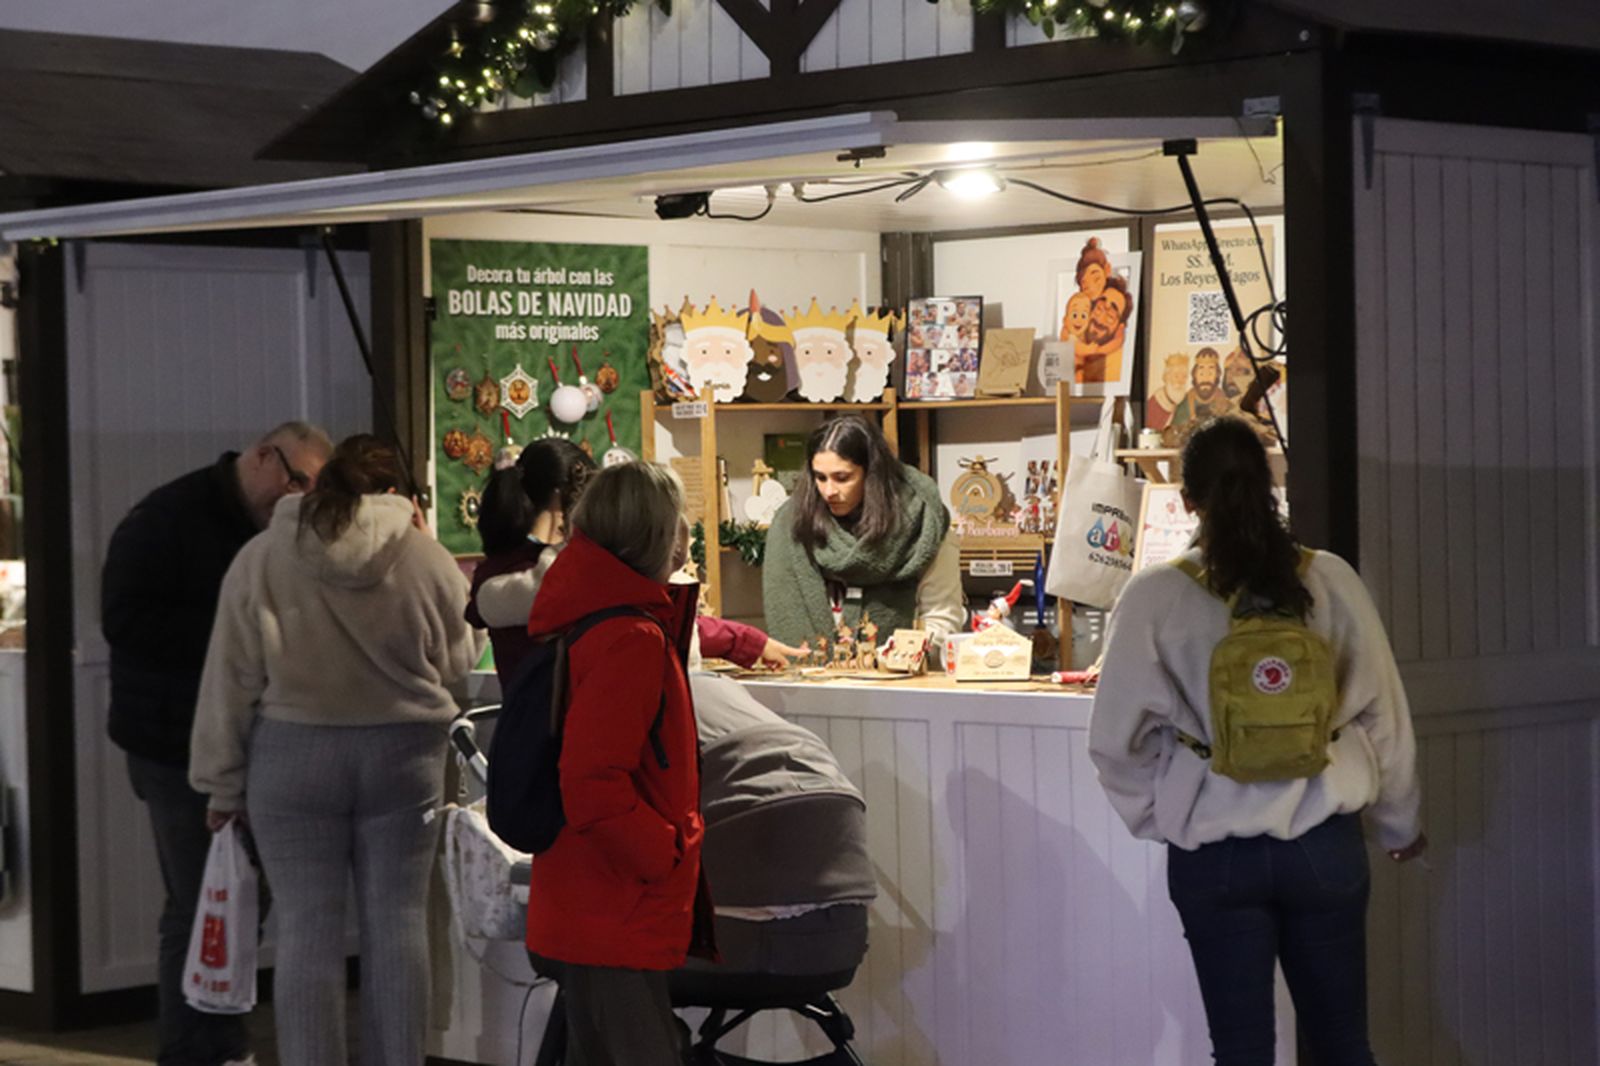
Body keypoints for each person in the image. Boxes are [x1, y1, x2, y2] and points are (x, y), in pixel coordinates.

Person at [1088, 417, 1426, 1066]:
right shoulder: (1329, 579)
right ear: (1272, 486)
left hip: (1215, 855)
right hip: (1323, 844)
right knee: (1342, 1044)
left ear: (1186, 499)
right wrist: (1398, 824)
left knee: (1240, 1051)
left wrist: (1163, 817)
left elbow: (1112, 742)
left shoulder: (1155, 596)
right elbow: (1385, 715)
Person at [189, 435, 481, 1066]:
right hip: (405, 755)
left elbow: (231, 678)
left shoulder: (262, 557)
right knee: (398, 923)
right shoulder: (426, 558)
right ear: (398, 494)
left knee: (304, 929)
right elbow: (460, 660)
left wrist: (222, 784)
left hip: (293, 757)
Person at [101, 420, 331, 1066]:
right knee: (203, 905)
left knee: (233, 905)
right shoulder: (165, 518)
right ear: (262, 456)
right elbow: (122, 620)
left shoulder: (269, 531)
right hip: (173, 746)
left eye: (313, 490)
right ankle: (196, 1051)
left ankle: (220, 1044)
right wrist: (234, 630)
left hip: (239, 741)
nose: (298, 499)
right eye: (296, 481)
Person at [523, 461, 714, 1065]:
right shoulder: (631, 635)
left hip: (590, 897)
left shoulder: (589, 616)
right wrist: (662, 851)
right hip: (616, 900)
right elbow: (592, 783)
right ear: (660, 534)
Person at [467, 438, 800, 683]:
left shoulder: (501, 571)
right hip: (572, 741)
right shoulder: (570, 573)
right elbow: (645, 616)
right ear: (570, 496)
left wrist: (745, 641)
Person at [762, 414, 963, 653]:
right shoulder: (793, 524)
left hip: (900, 679)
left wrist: (898, 654)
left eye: (842, 478)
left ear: (872, 474)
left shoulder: (923, 522)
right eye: (820, 477)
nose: (829, 491)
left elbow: (942, 619)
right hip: (814, 681)